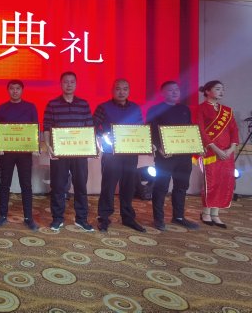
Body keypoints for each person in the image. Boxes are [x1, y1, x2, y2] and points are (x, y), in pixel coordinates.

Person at [43, 71, 94, 232]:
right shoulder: (52, 104)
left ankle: (81, 219)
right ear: (61, 84)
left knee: (81, 186)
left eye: (72, 82)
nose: (69, 84)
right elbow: (46, 128)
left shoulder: (84, 104)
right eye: (66, 82)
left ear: (76, 84)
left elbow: (89, 128)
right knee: (58, 187)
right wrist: (48, 146)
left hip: (79, 153)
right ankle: (57, 219)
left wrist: (92, 148)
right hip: (59, 153)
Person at [93, 79, 146, 233]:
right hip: (111, 153)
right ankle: (104, 217)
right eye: (118, 89)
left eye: (125, 89)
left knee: (128, 186)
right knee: (108, 186)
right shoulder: (103, 107)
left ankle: (128, 218)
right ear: (112, 90)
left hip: (130, 152)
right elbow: (93, 126)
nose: (121, 92)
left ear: (129, 91)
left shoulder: (135, 108)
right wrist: (103, 135)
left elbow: (140, 128)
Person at [146, 81, 199, 231]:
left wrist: (195, 146)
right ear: (162, 93)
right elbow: (150, 130)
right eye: (170, 90)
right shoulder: (155, 109)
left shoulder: (184, 109)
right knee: (161, 186)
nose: (175, 92)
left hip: (184, 156)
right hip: (165, 156)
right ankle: (158, 219)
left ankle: (178, 217)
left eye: (177, 89)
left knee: (181, 186)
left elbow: (189, 130)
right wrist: (158, 147)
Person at [0, 80, 40, 231]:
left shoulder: (30, 107)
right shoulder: (1, 108)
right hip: (6, 153)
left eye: (17, 88)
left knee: (26, 185)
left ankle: (28, 218)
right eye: (12, 88)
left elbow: (35, 128)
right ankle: (2, 216)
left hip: (25, 153)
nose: (15, 91)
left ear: (22, 90)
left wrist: (35, 146)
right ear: (8, 90)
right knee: (4, 184)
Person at [197, 80, 239, 228]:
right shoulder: (201, 109)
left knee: (224, 182)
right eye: (217, 89)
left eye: (222, 89)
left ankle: (215, 214)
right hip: (211, 152)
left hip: (227, 153)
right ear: (207, 91)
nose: (221, 91)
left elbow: (234, 130)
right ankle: (206, 212)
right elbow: (201, 131)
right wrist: (216, 150)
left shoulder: (227, 111)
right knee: (211, 182)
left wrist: (231, 149)